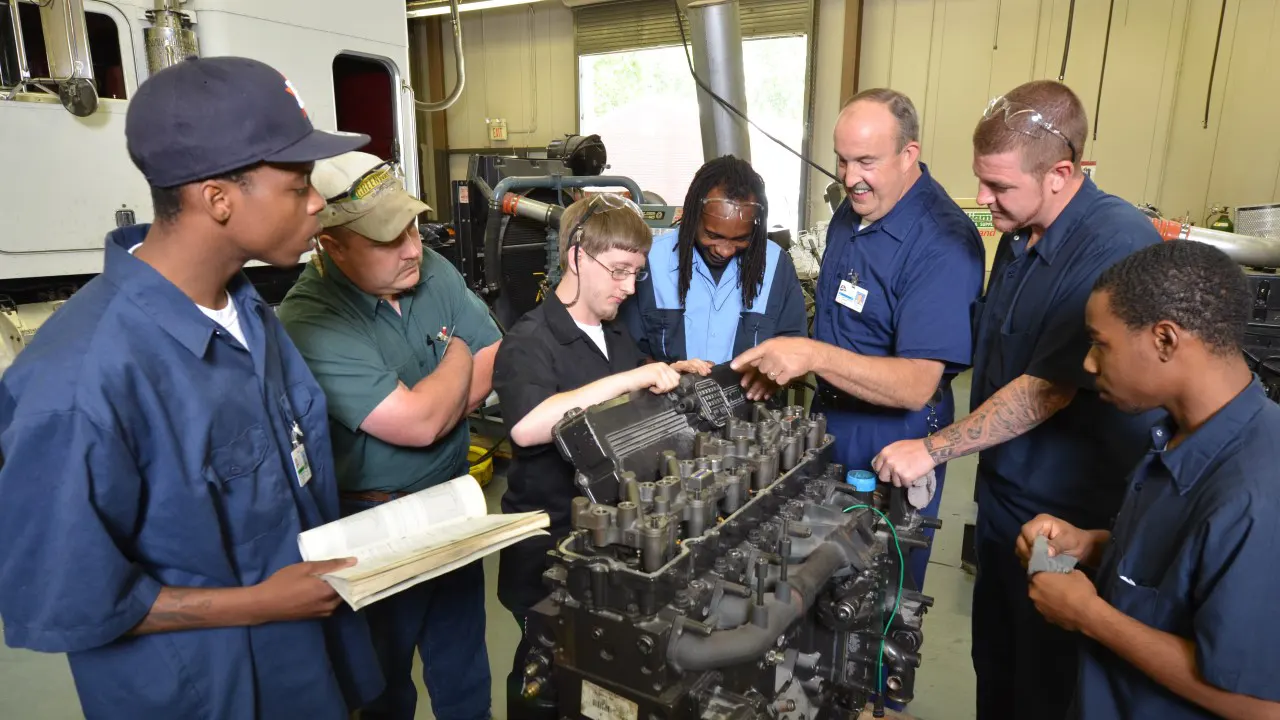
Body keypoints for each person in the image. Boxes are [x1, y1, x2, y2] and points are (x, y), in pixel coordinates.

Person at [0, 57, 382, 719]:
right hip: (205, 695)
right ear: (219, 198)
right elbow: (66, 596)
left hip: (309, 674)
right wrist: (262, 604)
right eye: (297, 184)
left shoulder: (251, 317)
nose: (318, 200)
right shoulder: (80, 380)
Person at [872, 80, 1163, 720]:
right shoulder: (1020, 234)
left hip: (1069, 515)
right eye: (981, 181)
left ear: (1061, 173)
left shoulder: (1113, 244)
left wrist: (932, 448)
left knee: (1048, 679)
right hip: (1006, 498)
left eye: (998, 186)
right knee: (997, 661)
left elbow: (1047, 388)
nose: (982, 199)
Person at [276, 151, 501, 720]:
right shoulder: (310, 318)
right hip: (372, 524)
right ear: (331, 245)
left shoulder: (432, 270)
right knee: (382, 685)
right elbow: (418, 424)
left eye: (411, 227)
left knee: (464, 669)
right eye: (386, 239)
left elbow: (497, 355)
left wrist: (437, 398)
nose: (411, 248)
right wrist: (457, 356)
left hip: (452, 503)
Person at [730, 88, 985, 591]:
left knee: (875, 596)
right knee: (810, 578)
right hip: (832, 421)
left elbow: (915, 384)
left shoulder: (942, 243)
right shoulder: (854, 211)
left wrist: (812, 355)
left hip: (896, 435)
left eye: (866, 161)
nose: (850, 178)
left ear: (909, 154)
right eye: (842, 161)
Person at [1018, 240, 1280, 719]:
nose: (1089, 364)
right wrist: (1089, 547)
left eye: (1101, 344)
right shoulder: (1179, 435)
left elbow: (1260, 705)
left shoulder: (1257, 497)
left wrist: (1089, 616)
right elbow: (1183, 573)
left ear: (1165, 340)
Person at [492, 194, 685, 718]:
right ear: (577, 255)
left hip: (607, 551)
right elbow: (529, 426)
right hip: (550, 555)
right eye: (618, 270)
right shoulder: (530, 341)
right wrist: (632, 378)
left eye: (635, 274)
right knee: (545, 676)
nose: (627, 287)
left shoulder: (618, 337)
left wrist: (671, 378)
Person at [622, 155, 807, 366]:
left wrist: (769, 377)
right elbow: (626, 351)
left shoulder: (776, 266)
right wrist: (667, 373)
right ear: (693, 215)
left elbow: (795, 349)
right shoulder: (650, 262)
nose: (725, 251)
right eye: (713, 235)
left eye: (740, 239)